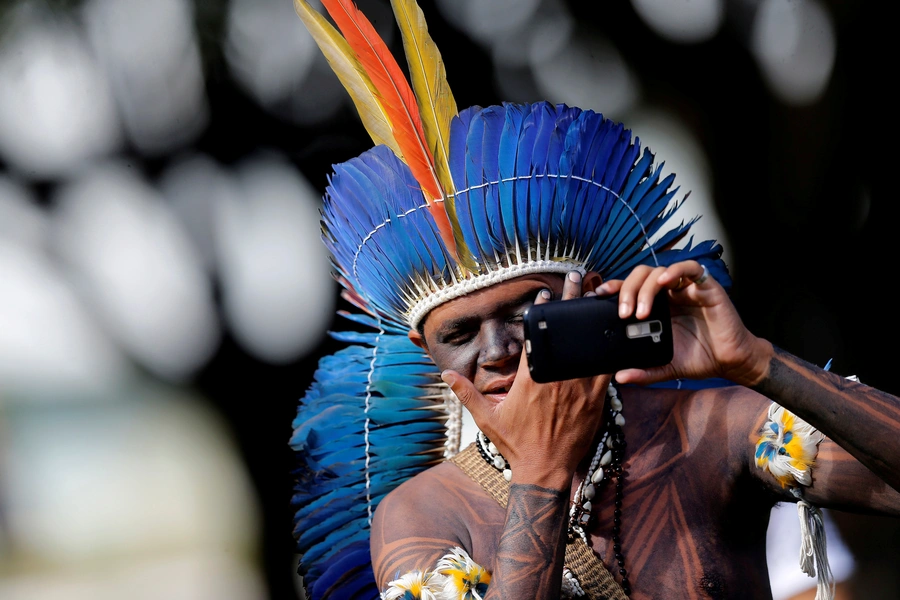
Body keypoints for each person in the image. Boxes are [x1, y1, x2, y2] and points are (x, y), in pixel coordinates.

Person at [289, 2, 900, 599]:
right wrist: (543, 469)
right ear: (426, 352)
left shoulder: (708, 430)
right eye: (461, 335)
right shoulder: (424, 514)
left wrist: (758, 364)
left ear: (588, 301)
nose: (499, 351)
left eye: (527, 312)